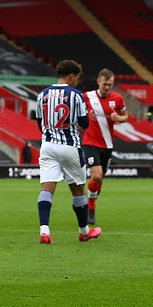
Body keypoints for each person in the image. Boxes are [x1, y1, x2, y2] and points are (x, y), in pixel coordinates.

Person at [34, 61, 101, 244]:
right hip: (70, 146)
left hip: (47, 146)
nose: (77, 82)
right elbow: (85, 123)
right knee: (78, 190)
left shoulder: (42, 94)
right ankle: (84, 231)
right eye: (77, 78)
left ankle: (44, 231)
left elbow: (40, 124)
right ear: (71, 75)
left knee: (47, 190)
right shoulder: (76, 95)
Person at [81, 68, 129, 225]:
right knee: (96, 175)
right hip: (89, 142)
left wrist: (119, 118)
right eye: (105, 84)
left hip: (107, 144)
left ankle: (92, 205)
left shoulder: (118, 98)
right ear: (98, 82)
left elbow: (126, 116)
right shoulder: (87, 96)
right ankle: (90, 206)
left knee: (100, 180)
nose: (107, 87)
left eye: (110, 85)